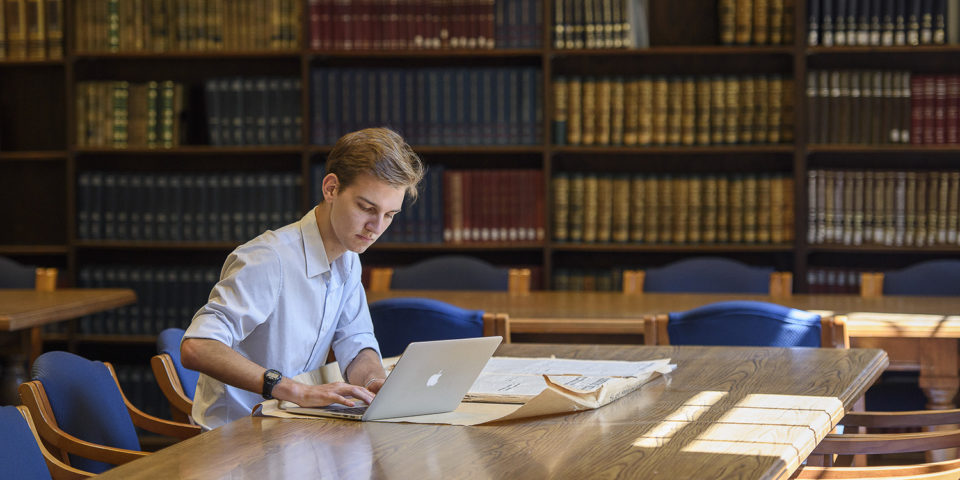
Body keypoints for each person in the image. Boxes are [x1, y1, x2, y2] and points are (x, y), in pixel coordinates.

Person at [180, 127, 424, 430]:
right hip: (236, 438)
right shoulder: (268, 259)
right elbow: (197, 346)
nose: (376, 227)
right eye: (366, 208)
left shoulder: (348, 259)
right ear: (331, 189)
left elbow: (356, 341)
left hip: (292, 429)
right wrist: (297, 391)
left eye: (389, 215)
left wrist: (374, 383)